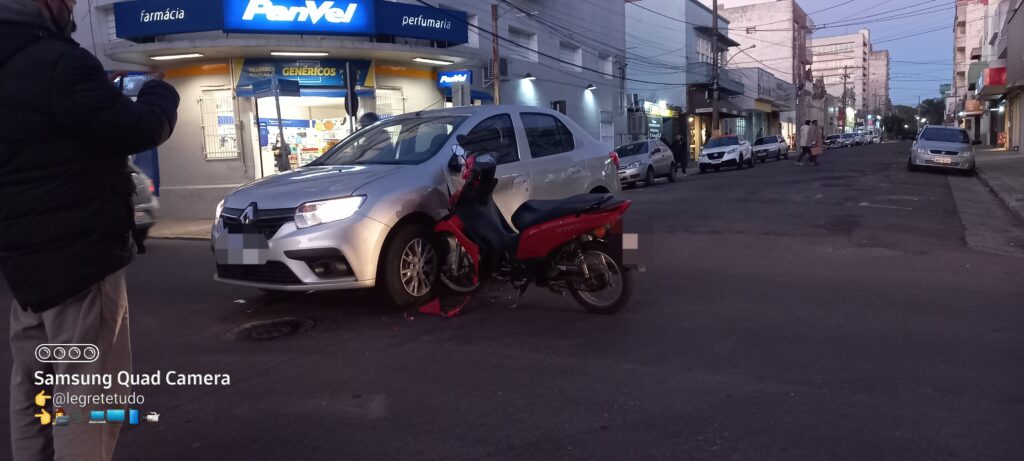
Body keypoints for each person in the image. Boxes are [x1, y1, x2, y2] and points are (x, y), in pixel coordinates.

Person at [0, 1, 180, 460]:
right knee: (91, 399)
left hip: (25, 266)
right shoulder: (58, 62)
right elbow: (139, 128)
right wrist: (161, 94)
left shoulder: (20, 62)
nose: (73, 7)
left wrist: (98, 94)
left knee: (33, 389)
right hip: (80, 262)